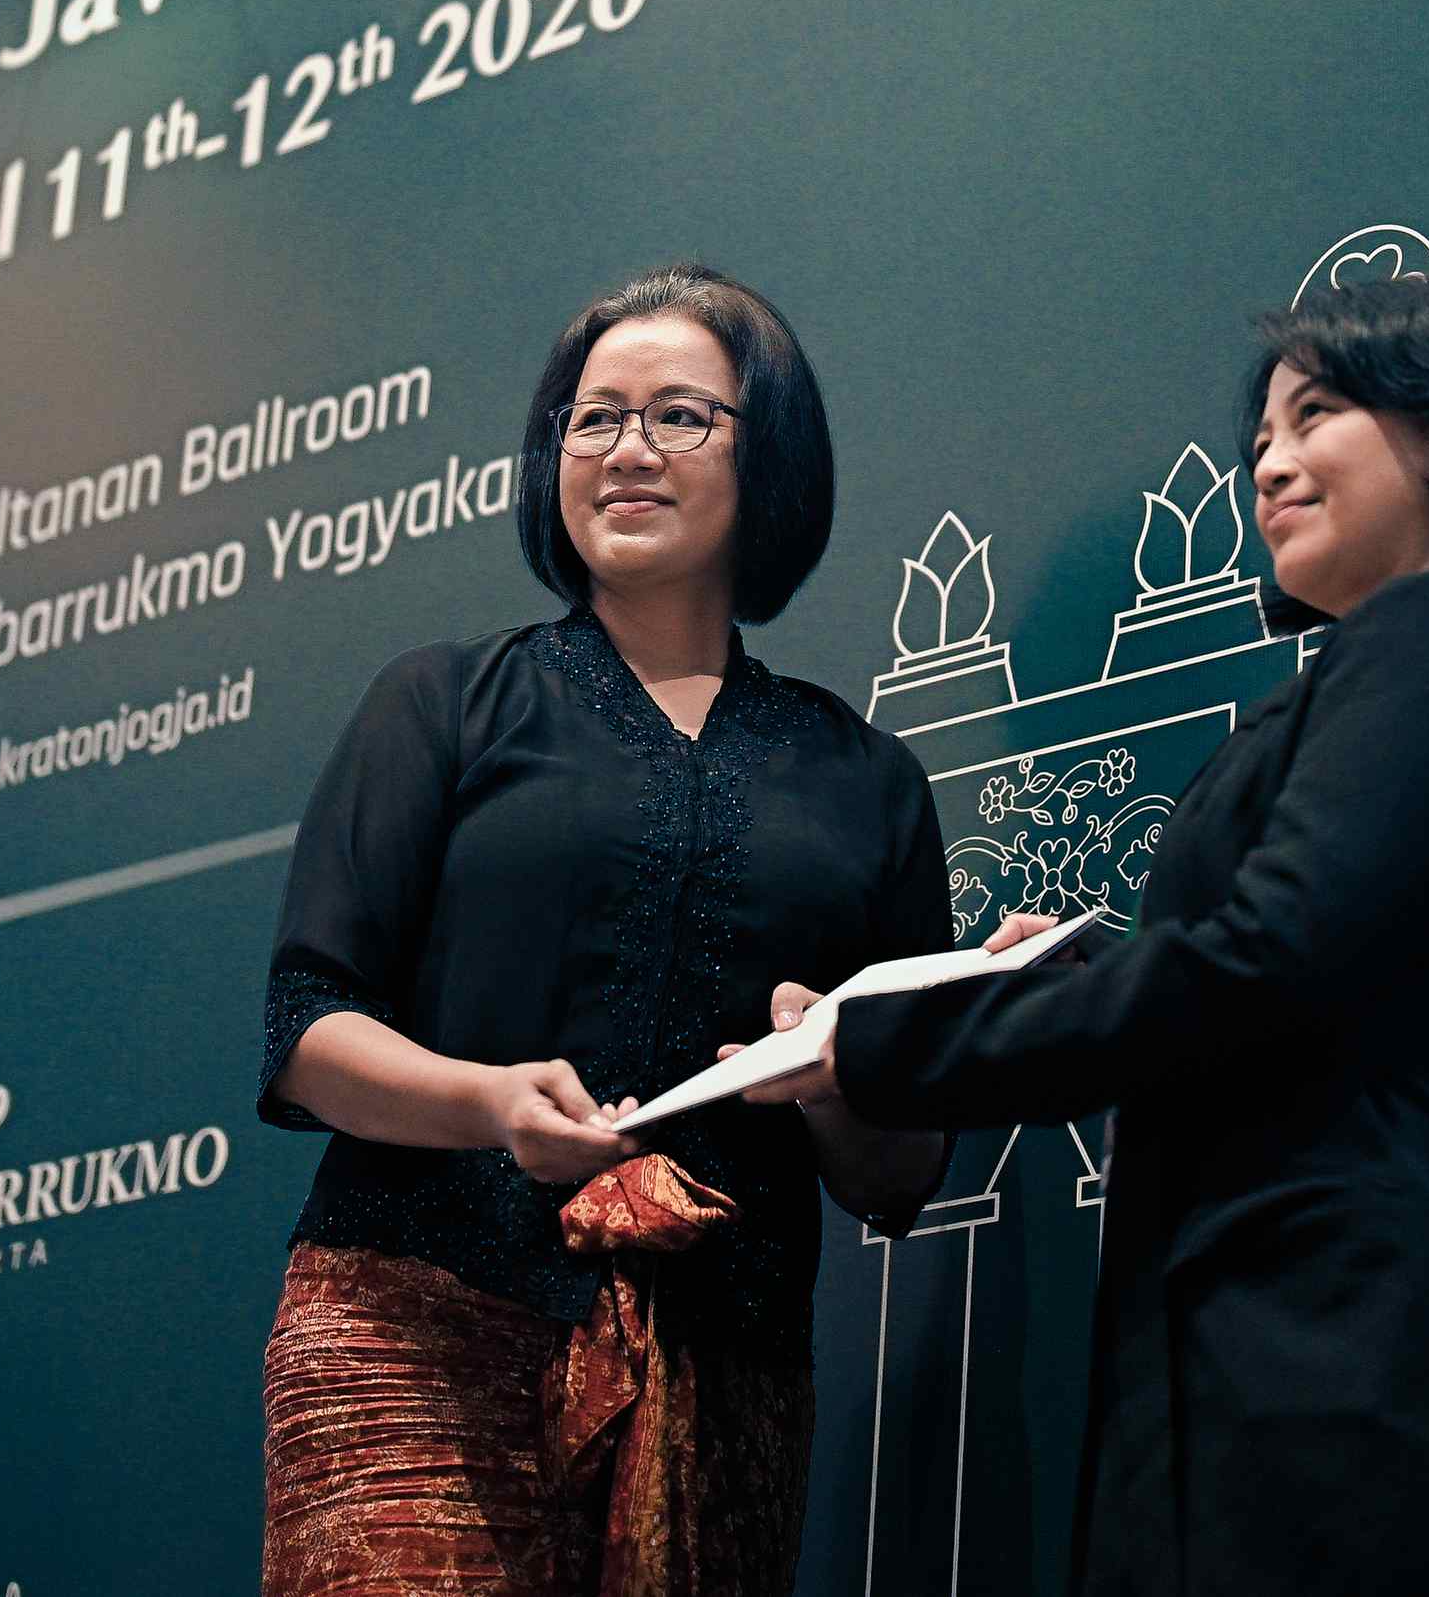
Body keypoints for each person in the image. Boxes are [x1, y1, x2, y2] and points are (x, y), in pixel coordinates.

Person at [776, 275, 1429, 1596]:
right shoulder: (1381, 673)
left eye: (1315, 415)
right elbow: (1301, 985)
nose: (1268, 464)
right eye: (1260, 438)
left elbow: (1266, 959)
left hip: (1358, 1371)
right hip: (1279, 1366)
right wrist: (1085, 975)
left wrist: (888, 1044)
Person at [256, 264, 952, 1597]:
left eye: (679, 415)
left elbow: (899, 1173)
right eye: (593, 419)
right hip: (420, 1331)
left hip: (724, 1364)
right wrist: (489, 1104)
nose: (628, 450)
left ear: (769, 455)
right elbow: (307, 1029)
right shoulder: (444, 702)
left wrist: (832, 1078)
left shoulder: (866, 780)